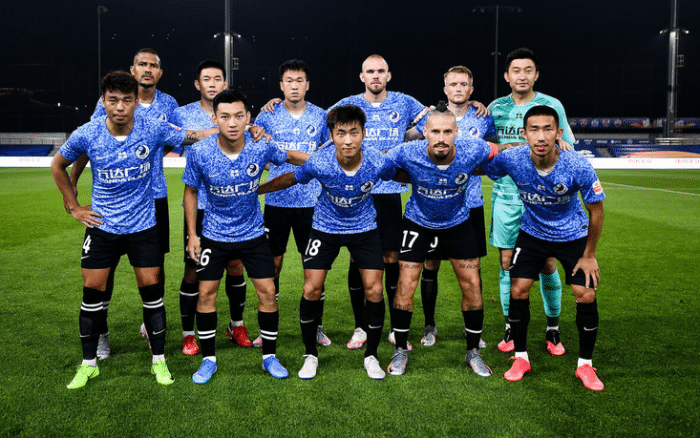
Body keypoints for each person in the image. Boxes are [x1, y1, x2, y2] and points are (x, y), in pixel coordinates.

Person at [52, 71, 211, 388]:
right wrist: (74, 205)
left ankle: (159, 361)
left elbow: (193, 135)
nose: (120, 107)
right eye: (113, 100)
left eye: (127, 100)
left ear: (137, 102)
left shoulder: (152, 128)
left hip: (143, 226)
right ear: (104, 101)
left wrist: (237, 127)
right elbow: (58, 164)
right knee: (92, 292)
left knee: (152, 292)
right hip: (103, 226)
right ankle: (88, 364)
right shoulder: (88, 132)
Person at [258, 104, 395, 380]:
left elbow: (403, 175)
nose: (348, 140)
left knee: (374, 290)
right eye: (341, 133)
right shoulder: (319, 161)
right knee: (311, 288)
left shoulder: (378, 161)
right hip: (325, 227)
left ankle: (371, 355)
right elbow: (291, 178)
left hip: (363, 228)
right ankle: (310, 355)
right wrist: (257, 190)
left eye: (354, 132)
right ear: (331, 136)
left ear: (364, 133)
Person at [183, 90, 308, 383]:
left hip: (252, 233)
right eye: (225, 116)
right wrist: (192, 234)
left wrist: (325, 159)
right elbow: (190, 191)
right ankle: (208, 360)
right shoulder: (200, 152)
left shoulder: (260, 145)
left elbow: (290, 156)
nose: (232, 123)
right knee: (206, 294)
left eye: (239, 116)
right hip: (214, 234)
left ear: (248, 118)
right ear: (214, 119)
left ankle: (270, 357)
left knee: (267, 292)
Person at [480, 105, 605, 391]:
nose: (540, 136)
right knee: (518, 289)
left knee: (585, 293)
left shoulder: (577, 165)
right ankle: (521, 357)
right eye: (534, 130)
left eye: (547, 129)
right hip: (533, 233)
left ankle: (585, 365)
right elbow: (483, 166)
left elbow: (597, 211)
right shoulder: (513, 158)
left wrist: (589, 256)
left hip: (572, 234)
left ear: (558, 133)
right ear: (524, 134)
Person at [385, 102, 506, 376]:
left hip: (458, 223)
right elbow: (378, 160)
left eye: (447, 132)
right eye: (436, 131)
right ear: (425, 132)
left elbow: (504, 150)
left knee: (472, 285)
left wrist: (547, 145)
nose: (441, 138)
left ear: (456, 132)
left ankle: (473, 352)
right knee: (405, 285)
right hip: (418, 223)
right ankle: (400, 350)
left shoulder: (473, 149)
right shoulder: (407, 151)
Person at [488, 48, 575, 355]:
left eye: (528, 70)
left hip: (542, 201)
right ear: (506, 76)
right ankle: (511, 326)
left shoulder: (552, 105)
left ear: (536, 74)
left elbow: (567, 146)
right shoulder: (494, 108)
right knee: (506, 264)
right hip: (506, 198)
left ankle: (553, 327)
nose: (522, 76)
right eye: (516, 70)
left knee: (547, 263)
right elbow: (486, 146)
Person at [410, 66, 497, 347]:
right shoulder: (431, 117)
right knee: (430, 265)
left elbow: (494, 147)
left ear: (471, 89)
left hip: (471, 204)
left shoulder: (483, 117)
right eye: (453, 84)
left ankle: (472, 331)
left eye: (463, 84)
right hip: (434, 206)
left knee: (473, 268)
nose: (458, 89)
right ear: (445, 89)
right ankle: (429, 326)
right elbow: (410, 139)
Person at [172, 59, 252, 354]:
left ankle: (236, 325)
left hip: (233, 205)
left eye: (218, 78)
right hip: (200, 206)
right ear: (198, 84)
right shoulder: (181, 114)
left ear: (225, 83)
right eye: (207, 79)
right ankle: (188, 333)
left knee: (235, 266)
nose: (212, 83)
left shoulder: (237, 114)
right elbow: (165, 139)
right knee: (193, 269)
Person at [252, 59, 331, 348]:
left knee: (314, 269)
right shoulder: (267, 116)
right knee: (272, 267)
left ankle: (317, 327)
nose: (294, 86)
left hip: (312, 205)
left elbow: (327, 155)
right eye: (289, 81)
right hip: (276, 204)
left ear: (307, 85)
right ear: (281, 85)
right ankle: (267, 329)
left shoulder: (321, 116)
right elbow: (256, 151)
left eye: (299, 80)